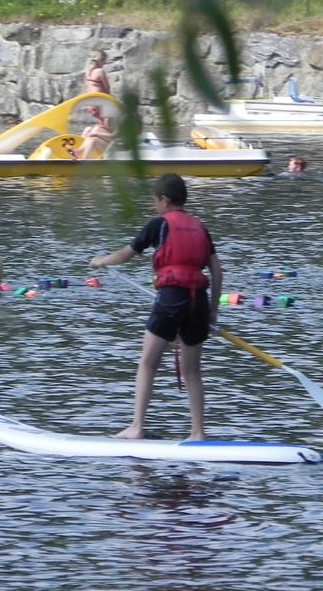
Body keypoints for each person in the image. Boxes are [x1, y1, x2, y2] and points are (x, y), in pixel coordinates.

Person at [89, 174, 223, 441]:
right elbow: (217, 272)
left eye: (155, 200)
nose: (154, 206)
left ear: (165, 200)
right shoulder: (200, 227)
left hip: (172, 299)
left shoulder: (159, 224)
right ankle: (198, 433)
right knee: (193, 371)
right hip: (198, 302)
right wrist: (213, 310)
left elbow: (125, 254)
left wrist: (100, 261)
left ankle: (137, 427)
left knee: (148, 362)